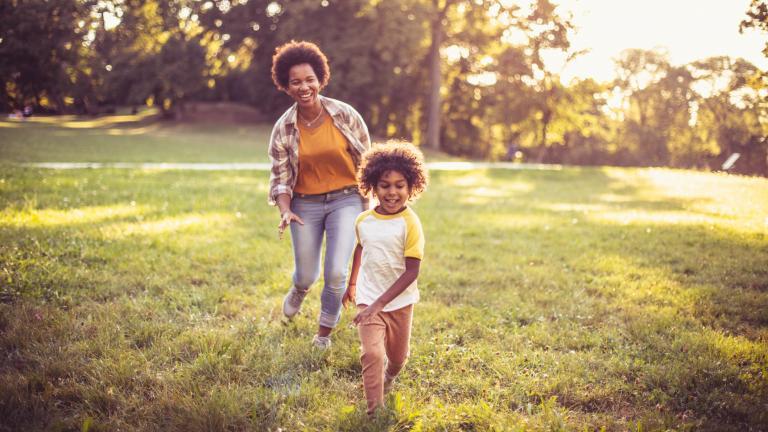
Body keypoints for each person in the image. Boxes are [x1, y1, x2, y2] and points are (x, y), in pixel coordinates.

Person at [267, 40, 371, 349]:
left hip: (347, 198)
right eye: (296, 82)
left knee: (336, 272)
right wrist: (285, 209)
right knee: (307, 275)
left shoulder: (345, 114)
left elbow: (368, 161)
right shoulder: (283, 128)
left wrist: (378, 201)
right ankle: (299, 289)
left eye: (310, 79)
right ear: (286, 86)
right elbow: (280, 179)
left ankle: (323, 333)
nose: (304, 86)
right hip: (305, 204)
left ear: (320, 78)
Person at [342, 141, 428, 415]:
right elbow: (360, 248)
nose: (392, 192)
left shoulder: (410, 223)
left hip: (400, 302)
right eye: (385, 185)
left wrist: (381, 303)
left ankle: (390, 376)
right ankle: (374, 411)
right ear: (373, 187)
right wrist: (352, 284)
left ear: (411, 187)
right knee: (372, 354)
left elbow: (412, 271)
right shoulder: (363, 220)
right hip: (369, 298)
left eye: (399, 185)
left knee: (398, 358)